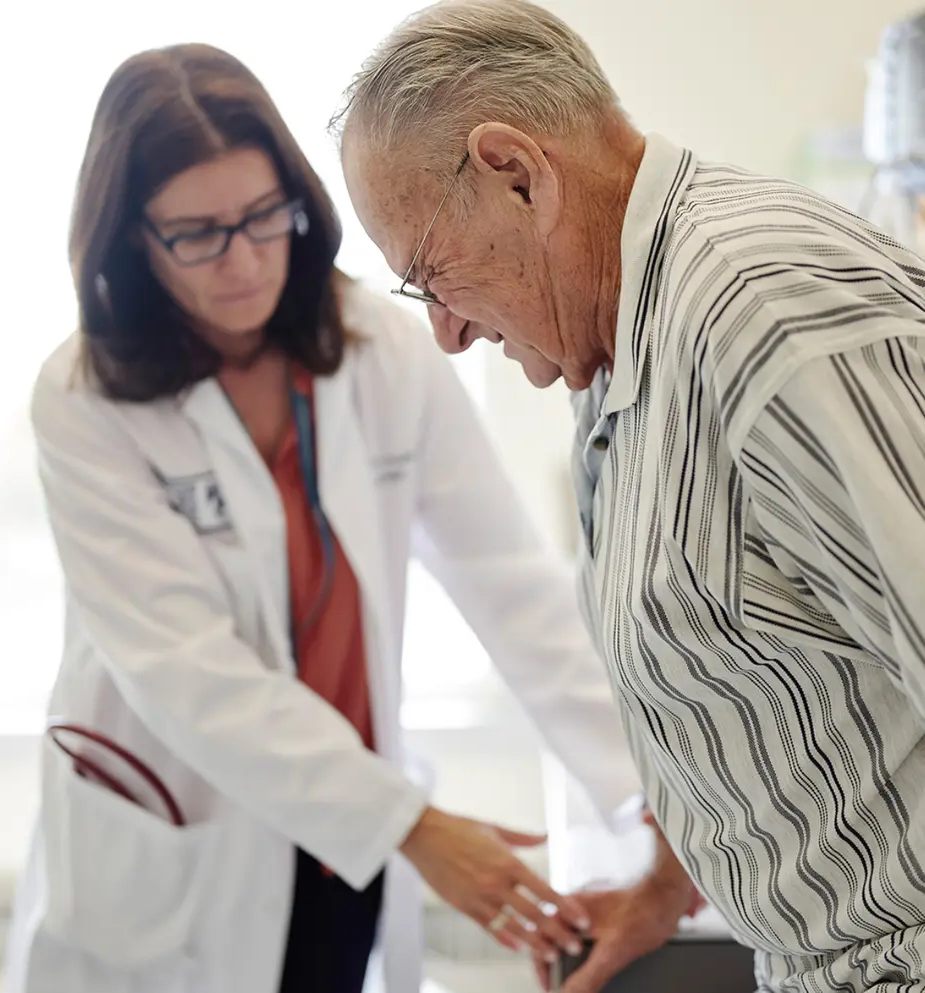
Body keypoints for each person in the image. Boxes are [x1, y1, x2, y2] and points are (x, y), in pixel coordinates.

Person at [3, 42, 638, 993]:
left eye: (265, 217)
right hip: (180, 838)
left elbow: (511, 586)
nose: (245, 259)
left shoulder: (382, 347)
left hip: (344, 838)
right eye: (198, 233)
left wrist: (644, 798)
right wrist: (414, 826)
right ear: (132, 236)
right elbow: (187, 669)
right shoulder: (84, 398)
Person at [335, 2, 925, 992]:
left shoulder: (769, 323)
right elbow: (768, 667)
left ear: (518, 174)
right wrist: (670, 880)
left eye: (431, 278)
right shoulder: (616, 338)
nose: (446, 333)